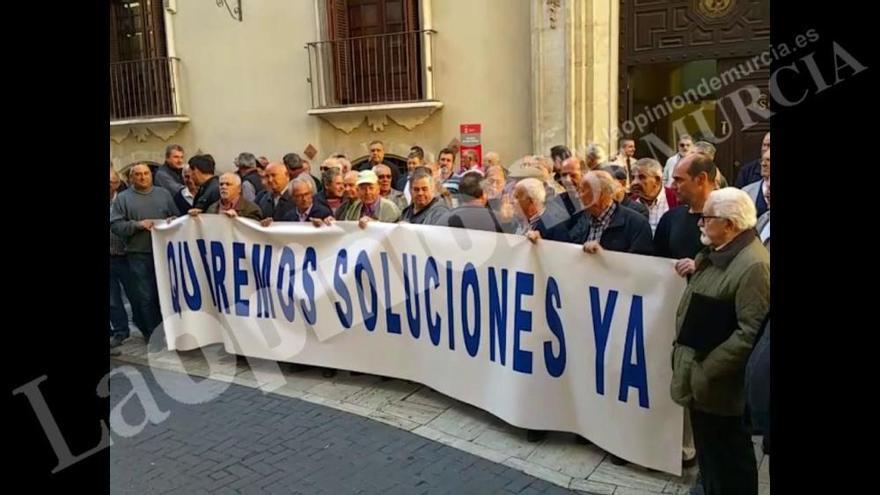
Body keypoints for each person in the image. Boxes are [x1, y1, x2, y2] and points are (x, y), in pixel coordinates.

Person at [670, 187, 769, 495]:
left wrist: (706, 371)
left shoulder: (754, 266)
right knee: (712, 462)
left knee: (730, 466)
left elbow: (748, 333)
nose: (700, 223)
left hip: (721, 391)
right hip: (704, 387)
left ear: (729, 224)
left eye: (707, 218)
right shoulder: (720, 253)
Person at [110, 163, 180, 345]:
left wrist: (172, 221)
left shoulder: (163, 194)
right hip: (137, 255)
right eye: (138, 174)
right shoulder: (123, 199)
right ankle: (153, 334)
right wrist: (138, 225)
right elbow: (116, 226)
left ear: (151, 175)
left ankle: (171, 331)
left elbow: (178, 218)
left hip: (164, 253)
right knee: (145, 297)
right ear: (131, 178)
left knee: (165, 294)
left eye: (146, 173)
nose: (143, 177)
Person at [569, 171, 654, 255]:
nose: (577, 196)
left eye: (582, 190)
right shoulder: (581, 220)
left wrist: (604, 255)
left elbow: (640, 265)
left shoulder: (637, 224)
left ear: (599, 195)